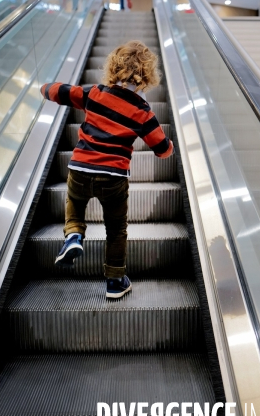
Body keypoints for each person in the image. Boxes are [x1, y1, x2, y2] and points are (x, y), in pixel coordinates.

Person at [40, 40, 173, 299]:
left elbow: (62, 92)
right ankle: (115, 281)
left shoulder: (95, 93)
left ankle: (74, 236)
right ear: (147, 76)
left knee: (75, 203)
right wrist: (170, 148)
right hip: (113, 177)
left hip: (80, 167)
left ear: (113, 67)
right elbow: (161, 148)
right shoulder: (142, 111)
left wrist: (45, 88)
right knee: (116, 229)